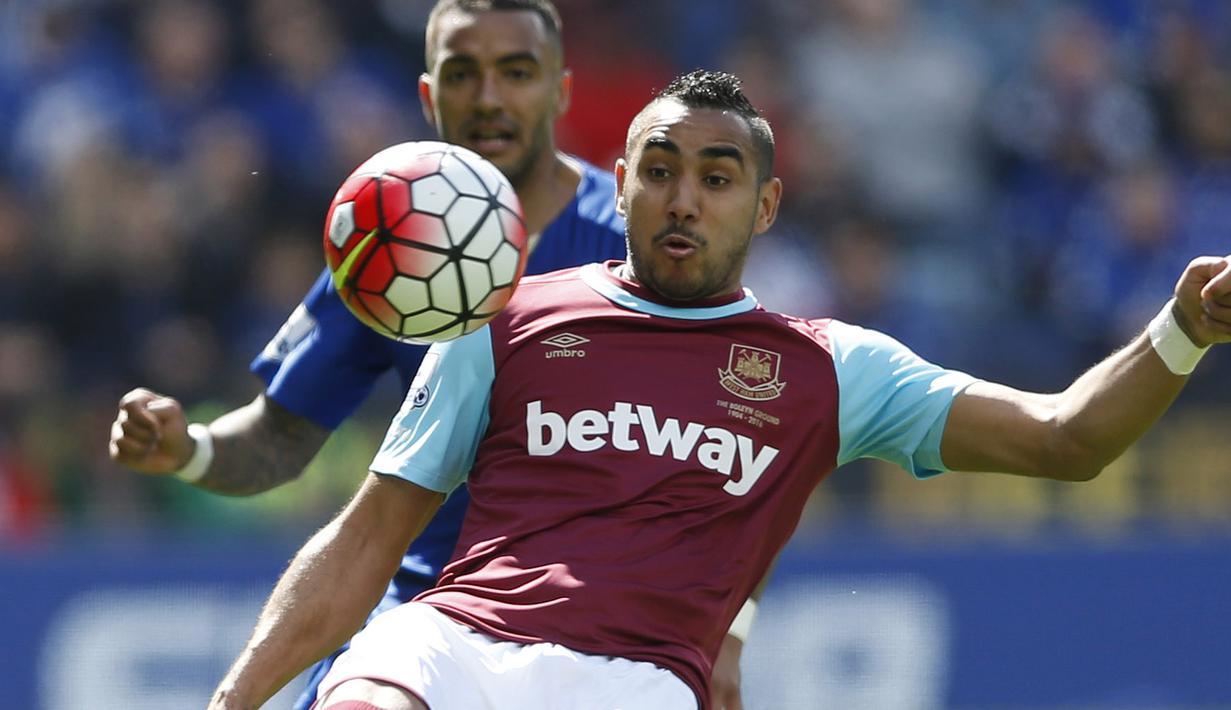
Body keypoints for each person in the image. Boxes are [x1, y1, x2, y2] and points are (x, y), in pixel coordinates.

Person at [205, 68, 1231, 710]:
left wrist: (1182, 327)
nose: (682, 197)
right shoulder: (502, 316)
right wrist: (234, 698)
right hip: (451, 641)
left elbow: (1066, 436)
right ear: (625, 177)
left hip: (637, 683)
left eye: (716, 174)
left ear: (767, 203)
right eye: (658, 169)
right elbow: (364, 539)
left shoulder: (832, 365)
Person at [105, 3, 756, 709]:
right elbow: (280, 436)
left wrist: (725, 632)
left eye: (515, 72)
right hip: (423, 614)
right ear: (427, 95)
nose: (489, 97)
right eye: (462, 73)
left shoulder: (642, 246)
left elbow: (736, 460)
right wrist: (189, 449)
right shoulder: (384, 240)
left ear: (559, 90)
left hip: (601, 631)